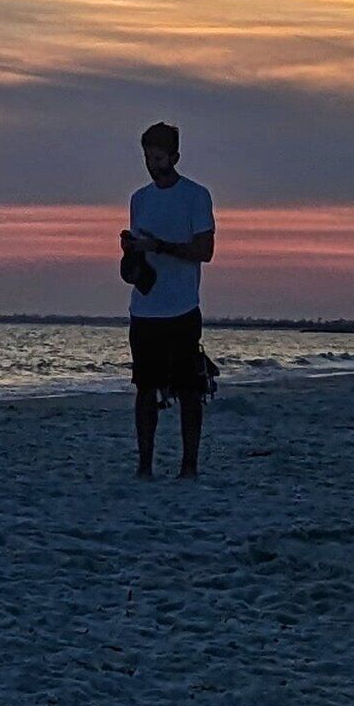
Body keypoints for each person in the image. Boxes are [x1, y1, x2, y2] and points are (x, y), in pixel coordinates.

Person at [119, 121, 214, 479]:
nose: (151, 163)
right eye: (146, 156)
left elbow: (205, 251)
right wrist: (132, 252)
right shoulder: (139, 199)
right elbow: (138, 260)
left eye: (157, 157)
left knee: (190, 390)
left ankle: (189, 465)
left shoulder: (196, 196)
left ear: (174, 156)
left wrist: (161, 246)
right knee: (145, 389)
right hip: (145, 309)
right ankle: (145, 465)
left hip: (182, 308)